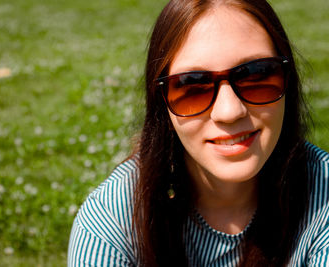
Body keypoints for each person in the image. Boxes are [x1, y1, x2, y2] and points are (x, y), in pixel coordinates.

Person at [68, 0, 329, 266]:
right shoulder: (113, 218)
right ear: (163, 106)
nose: (229, 111)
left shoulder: (324, 195)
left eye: (257, 75)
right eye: (192, 86)